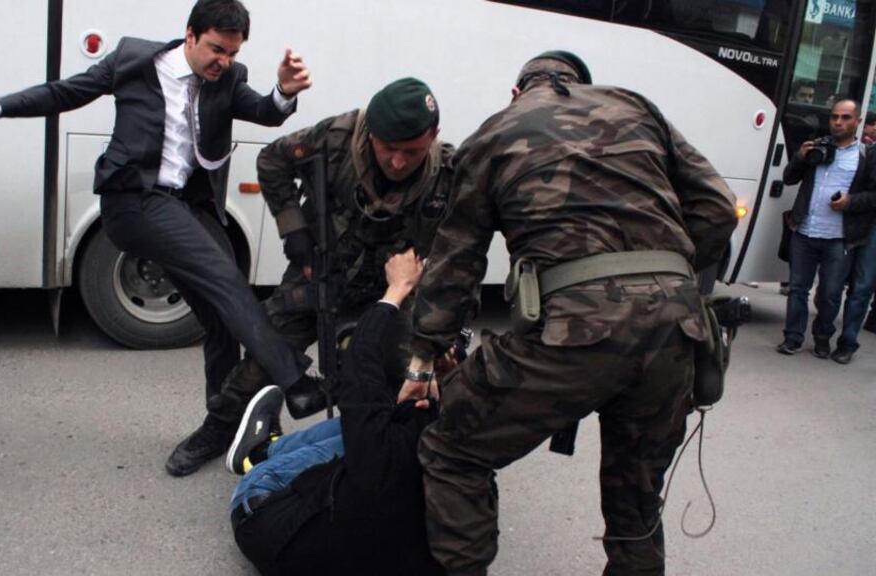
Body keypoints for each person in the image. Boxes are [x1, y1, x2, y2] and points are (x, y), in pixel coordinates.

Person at [0, 0, 316, 476]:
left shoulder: (228, 78)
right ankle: (295, 380)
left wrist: (283, 90)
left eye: (233, 53)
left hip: (186, 206)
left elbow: (266, 112)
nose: (224, 61)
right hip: (133, 203)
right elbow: (64, 93)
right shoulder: (135, 61)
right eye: (217, 50)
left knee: (219, 315)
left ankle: (219, 426)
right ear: (190, 35)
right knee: (226, 279)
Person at [399, 51, 737, 575]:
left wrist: (424, 355)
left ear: (517, 92)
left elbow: (456, 260)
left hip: (574, 332)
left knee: (451, 452)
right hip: (677, 329)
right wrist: (662, 280)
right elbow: (717, 205)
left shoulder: (494, 134)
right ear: (584, 87)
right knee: (637, 501)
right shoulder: (634, 106)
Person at [169, 77, 455, 476]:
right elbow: (272, 160)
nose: (398, 162)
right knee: (263, 356)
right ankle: (219, 428)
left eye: (412, 150)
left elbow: (459, 258)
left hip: (394, 292)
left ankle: (397, 453)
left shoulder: (448, 174)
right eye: (387, 148)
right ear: (371, 132)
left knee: (409, 377)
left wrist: (435, 333)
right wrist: (295, 231)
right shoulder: (339, 137)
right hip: (319, 272)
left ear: (434, 134)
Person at [226, 249, 445, 576]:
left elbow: (360, 367)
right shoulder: (470, 463)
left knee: (349, 439)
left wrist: (396, 290)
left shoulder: (381, 448)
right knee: (360, 437)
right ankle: (265, 449)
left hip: (262, 525)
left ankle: (257, 456)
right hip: (369, 545)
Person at [777, 98, 876, 358]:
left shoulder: (866, 156)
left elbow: (874, 196)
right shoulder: (818, 148)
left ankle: (822, 339)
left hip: (839, 238)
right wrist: (800, 157)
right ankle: (792, 338)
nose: (838, 122)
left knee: (830, 294)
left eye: (845, 118)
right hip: (805, 230)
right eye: (834, 117)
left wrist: (850, 202)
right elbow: (789, 178)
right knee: (798, 289)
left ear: (857, 122)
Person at [828, 168, 876, 363]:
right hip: (851, 221)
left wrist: (852, 202)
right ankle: (822, 334)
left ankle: (847, 343)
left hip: (869, 226)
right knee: (833, 282)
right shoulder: (867, 153)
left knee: (861, 287)